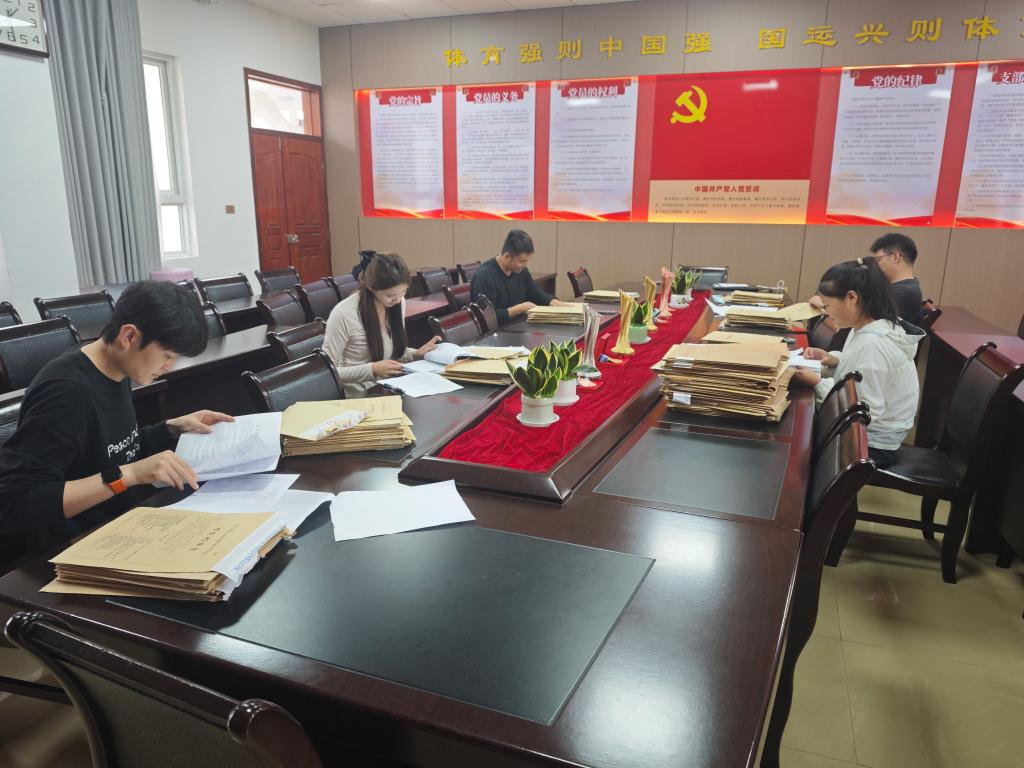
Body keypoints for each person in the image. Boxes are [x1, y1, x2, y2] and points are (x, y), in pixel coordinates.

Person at [0, 281, 234, 564]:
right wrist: (130, 475)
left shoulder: (116, 367)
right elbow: (16, 504)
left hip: (122, 528)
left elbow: (111, 452)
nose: (169, 367)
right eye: (167, 356)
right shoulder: (66, 392)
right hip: (73, 550)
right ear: (129, 336)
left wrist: (170, 428)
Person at [791, 257, 925, 468]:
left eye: (828, 305)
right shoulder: (866, 327)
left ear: (852, 298)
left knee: (799, 450)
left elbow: (861, 412)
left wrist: (817, 383)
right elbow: (858, 372)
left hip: (873, 444)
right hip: (866, 431)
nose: (826, 312)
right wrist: (835, 360)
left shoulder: (875, 344)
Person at [323, 251, 440, 396]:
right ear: (371, 287)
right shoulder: (344, 314)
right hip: (357, 395)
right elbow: (326, 373)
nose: (398, 300)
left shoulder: (397, 303)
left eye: (403, 293)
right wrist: (372, 370)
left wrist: (415, 354)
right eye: (390, 295)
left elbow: (393, 352)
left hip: (389, 386)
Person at [809, 232, 923, 325]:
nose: (875, 265)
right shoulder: (893, 287)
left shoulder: (904, 293)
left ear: (895, 257)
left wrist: (825, 303)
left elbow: (858, 315)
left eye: (878, 260)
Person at [469, 229, 572, 325]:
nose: (524, 265)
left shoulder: (521, 271)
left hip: (519, 326)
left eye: (527, 261)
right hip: (498, 332)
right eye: (522, 261)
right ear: (507, 256)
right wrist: (519, 309)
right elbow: (487, 317)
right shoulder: (484, 276)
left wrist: (552, 301)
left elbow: (535, 293)